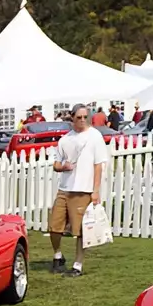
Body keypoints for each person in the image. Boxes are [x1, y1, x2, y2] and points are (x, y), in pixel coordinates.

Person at [48, 105, 107, 277]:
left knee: (81, 230)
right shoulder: (65, 139)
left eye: (85, 117)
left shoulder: (95, 136)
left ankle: (78, 265)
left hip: (84, 190)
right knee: (54, 226)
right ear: (72, 117)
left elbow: (98, 166)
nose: (82, 120)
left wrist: (95, 191)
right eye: (79, 117)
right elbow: (56, 164)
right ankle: (58, 256)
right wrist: (63, 166)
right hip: (65, 188)